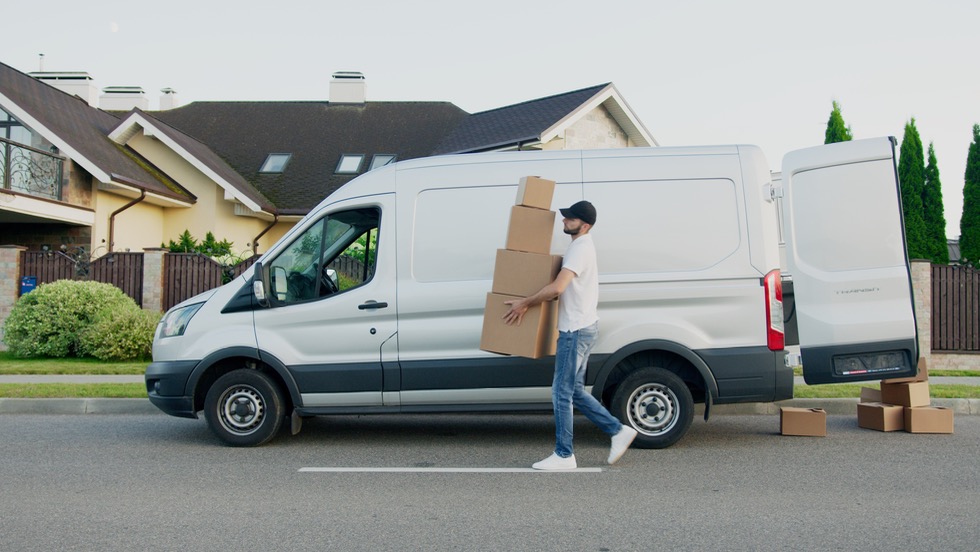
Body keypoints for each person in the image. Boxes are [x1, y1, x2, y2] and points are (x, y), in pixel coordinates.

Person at [503, 200, 637, 470]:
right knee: (573, 390)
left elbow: (557, 288)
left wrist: (525, 303)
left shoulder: (580, 248)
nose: (564, 221)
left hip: (575, 331)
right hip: (585, 326)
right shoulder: (580, 246)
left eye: (570, 219)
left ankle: (564, 455)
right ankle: (617, 430)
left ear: (584, 225)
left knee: (561, 392)